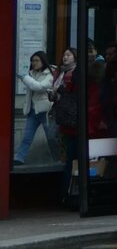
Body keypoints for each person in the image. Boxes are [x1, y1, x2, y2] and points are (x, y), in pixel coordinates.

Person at [49, 47, 80, 203]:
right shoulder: (60, 73)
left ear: (75, 57)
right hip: (62, 116)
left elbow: (72, 95)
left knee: (72, 157)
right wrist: (53, 92)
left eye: (68, 55)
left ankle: (70, 192)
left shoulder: (74, 73)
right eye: (64, 54)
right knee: (68, 154)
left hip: (72, 120)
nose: (65, 57)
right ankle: (67, 192)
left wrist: (59, 89)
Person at [13, 51, 54, 165]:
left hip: (45, 112)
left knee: (51, 139)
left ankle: (58, 160)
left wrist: (25, 78)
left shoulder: (49, 75)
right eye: (32, 60)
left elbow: (39, 87)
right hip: (32, 111)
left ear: (43, 61)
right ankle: (19, 159)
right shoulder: (32, 74)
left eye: (37, 60)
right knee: (27, 137)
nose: (34, 63)